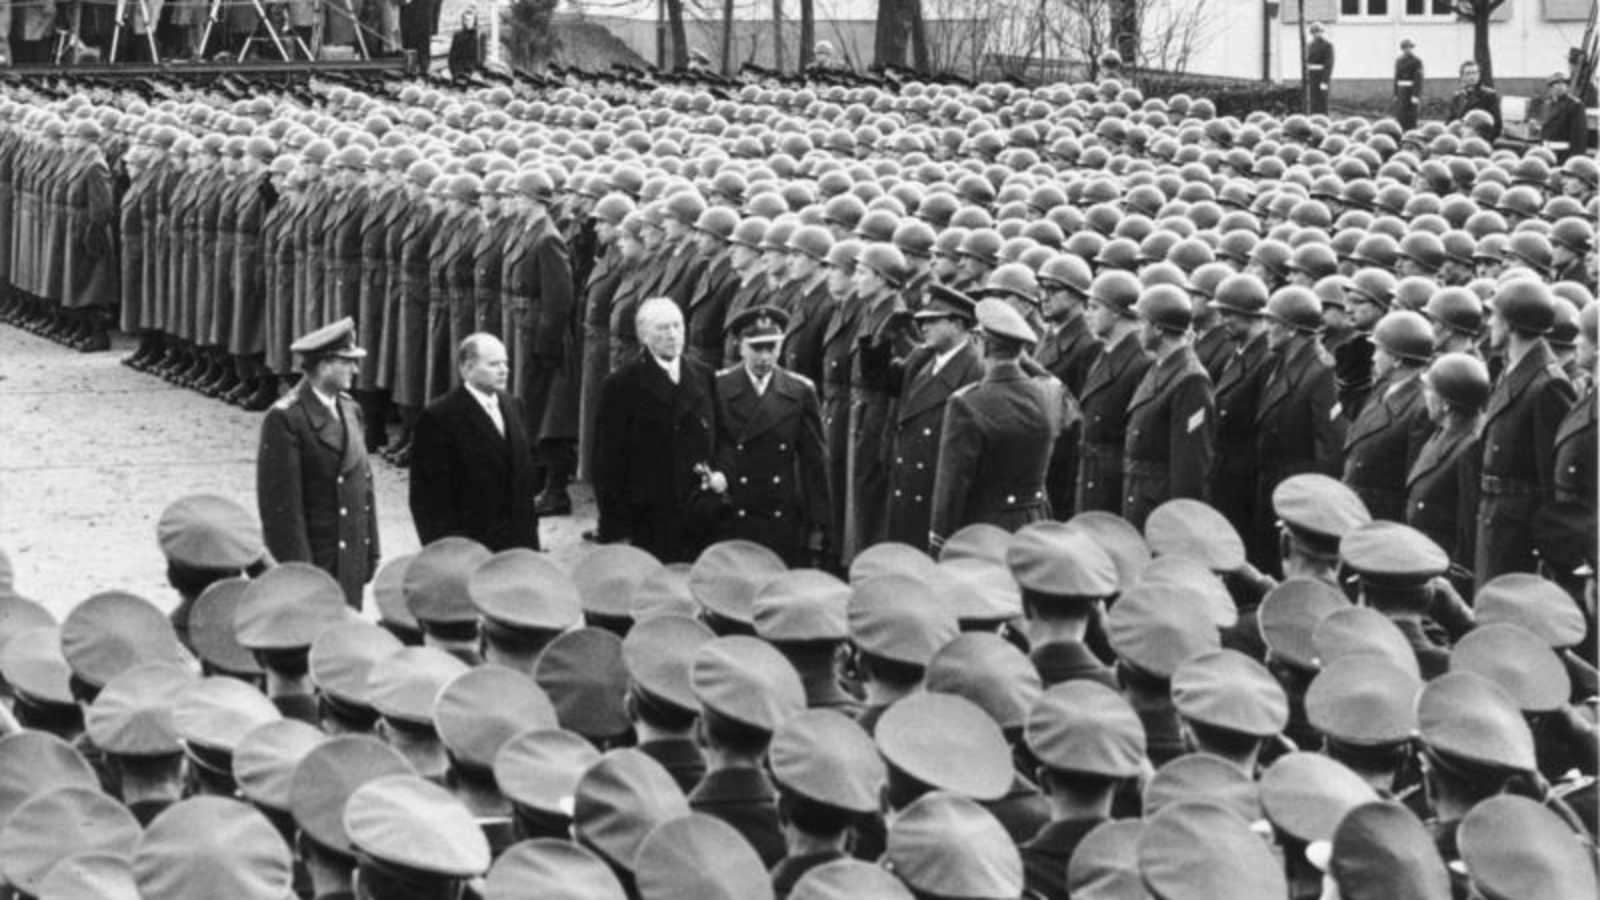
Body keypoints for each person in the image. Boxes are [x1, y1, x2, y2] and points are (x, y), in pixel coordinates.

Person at [255, 317, 379, 609]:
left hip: (348, 561)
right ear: (324, 365)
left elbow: (364, 487)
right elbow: (282, 514)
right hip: (317, 565)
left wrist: (371, 550)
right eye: (347, 362)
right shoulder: (286, 418)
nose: (356, 369)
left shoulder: (350, 409)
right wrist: (302, 578)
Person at [928, 299, 1063, 551]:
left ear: (980, 344)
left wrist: (940, 541)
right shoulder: (1048, 392)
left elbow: (952, 488)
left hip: (986, 531)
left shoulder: (967, 403)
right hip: (1037, 522)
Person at [594, 297, 721, 562]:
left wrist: (722, 477)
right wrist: (616, 529)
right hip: (650, 517)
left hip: (699, 512)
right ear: (643, 335)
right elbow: (608, 465)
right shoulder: (621, 386)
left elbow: (722, 439)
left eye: (677, 326)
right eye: (662, 328)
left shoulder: (703, 375)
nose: (672, 335)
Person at [713, 306, 832, 566]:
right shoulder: (718, 388)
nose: (765, 357)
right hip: (733, 510)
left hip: (780, 512)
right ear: (740, 346)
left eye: (772, 348)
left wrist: (818, 524)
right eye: (757, 348)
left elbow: (815, 463)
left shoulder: (800, 391)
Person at [408, 333, 540, 552]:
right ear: (467, 368)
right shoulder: (439, 416)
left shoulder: (514, 406)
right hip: (471, 549)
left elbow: (524, 480)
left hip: (518, 547)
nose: (504, 370)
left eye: (505, 363)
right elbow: (427, 500)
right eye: (494, 364)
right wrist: (446, 553)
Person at [885, 287, 982, 551]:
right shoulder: (924, 361)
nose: (923, 326)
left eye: (932, 320)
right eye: (922, 320)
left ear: (958, 323)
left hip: (936, 495)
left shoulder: (975, 369)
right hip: (909, 487)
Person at [1445, 59, 1502, 140]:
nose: (1472, 77)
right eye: (1468, 74)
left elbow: (1497, 125)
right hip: (1458, 140)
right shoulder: (1457, 97)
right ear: (1462, 76)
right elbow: (1449, 123)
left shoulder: (1489, 95)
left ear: (1479, 75)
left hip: (1479, 141)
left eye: (1475, 73)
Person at [1540, 70, 1588, 164]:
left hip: (1564, 156)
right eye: (1555, 84)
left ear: (1567, 86)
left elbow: (1579, 138)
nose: (1559, 86)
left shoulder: (1575, 105)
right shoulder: (1547, 105)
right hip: (1547, 154)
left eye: (1563, 83)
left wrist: (1574, 162)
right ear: (1550, 88)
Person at [1394, 39, 1424, 131]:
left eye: (1410, 47)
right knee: (1401, 115)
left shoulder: (1417, 61)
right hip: (1401, 91)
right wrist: (1395, 94)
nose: (1408, 49)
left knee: (1411, 115)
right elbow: (1396, 78)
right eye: (1405, 47)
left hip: (1411, 91)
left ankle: (1412, 133)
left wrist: (1415, 95)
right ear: (1402, 49)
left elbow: (1418, 79)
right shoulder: (1399, 60)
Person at [1306, 22, 1334, 116]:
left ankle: (1324, 120)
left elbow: (1329, 64)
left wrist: (1325, 81)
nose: (1316, 34)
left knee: (1323, 101)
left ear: (1322, 32)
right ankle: (1313, 119)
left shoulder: (1327, 45)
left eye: (1318, 31)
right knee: (1313, 101)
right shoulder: (1310, 45)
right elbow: (1308, 60)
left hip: (1321, 75)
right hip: (1312, 75)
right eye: (1313, 32)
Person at [447, 9, 482, 81]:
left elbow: (478, 59)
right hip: (458, 72)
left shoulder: (477, 37)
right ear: (463, 21)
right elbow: (452, 57)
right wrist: (455, 72)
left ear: (474, 21)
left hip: (472, 73)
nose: (468, 22)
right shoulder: (458, 36)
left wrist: (472, 72)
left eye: (470, 20)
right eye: (466, 20)